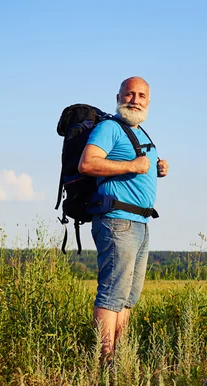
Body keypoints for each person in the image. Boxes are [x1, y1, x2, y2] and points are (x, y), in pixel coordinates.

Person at [78, 76, 168, 361]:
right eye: (130, 94)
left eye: (141, 95)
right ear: (118, 97)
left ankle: (119, 355)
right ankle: (104, 361)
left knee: (129, 297)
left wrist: (157, 169)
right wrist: (131, 165)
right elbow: (87, 163)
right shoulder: (109, 128)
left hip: (140, 224)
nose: (135, 100)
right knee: (112, 294)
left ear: (149, 102)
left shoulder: (142, 133)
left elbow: (139, 170)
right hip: (117, 221)